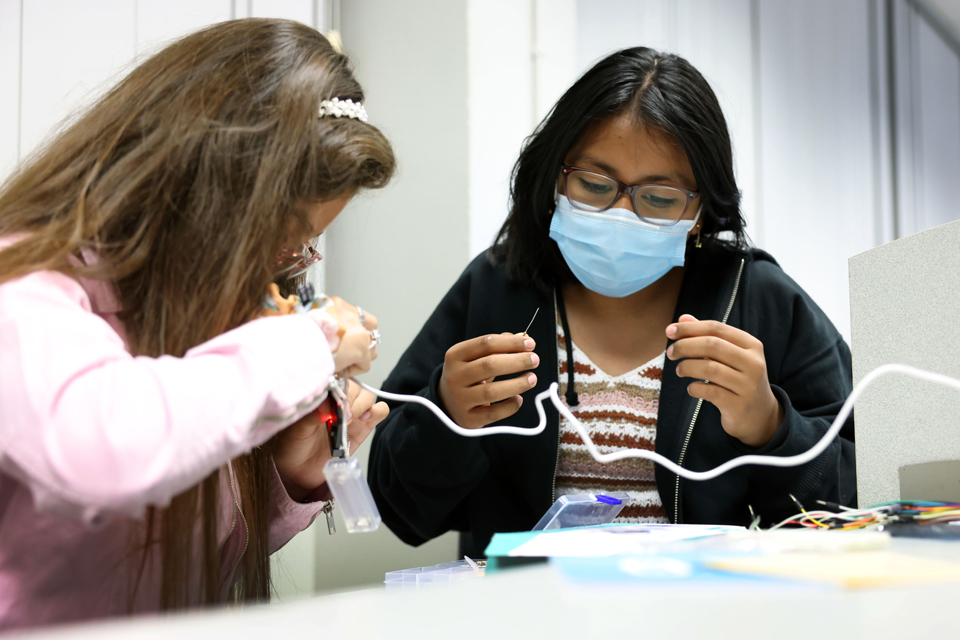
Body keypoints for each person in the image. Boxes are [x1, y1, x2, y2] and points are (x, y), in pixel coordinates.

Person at [368, 47, 856, 559]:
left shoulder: (758, 299)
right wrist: (449, 416)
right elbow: (399, 508)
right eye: (594, 185)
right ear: (557, 177)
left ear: (701, 214)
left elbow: (856, 502)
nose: (620, 213)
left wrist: (771, 426)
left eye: (659, 198)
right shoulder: (497, 288)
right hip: (528, 617)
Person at [0, 19, 393, 629]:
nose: (286, 267)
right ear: (197, 181)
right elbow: (108, 454)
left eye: (305, 245)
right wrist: (309, 340)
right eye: (283, 235)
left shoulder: (182, 309)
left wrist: (284, 474)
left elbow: (165, 566)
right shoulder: (22, 285)